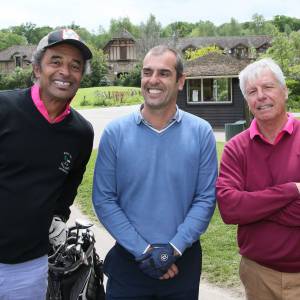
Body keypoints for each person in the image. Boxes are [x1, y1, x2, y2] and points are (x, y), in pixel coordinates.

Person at [92, 45, 217, 300]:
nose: (153, 80)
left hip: (182, 264)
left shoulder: (201, 133)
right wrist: (144, 251)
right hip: (129, 264)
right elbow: (104, 198)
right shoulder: (115, 133)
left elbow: (205, 198)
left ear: (180, 81)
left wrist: (172, 250)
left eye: (164, 73)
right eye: (147, 72)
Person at [0, 28, 94, 299]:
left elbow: (66, 192)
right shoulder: (4, 109)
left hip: (28, 268)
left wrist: (57, 218)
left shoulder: (81, 133)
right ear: (37, 69)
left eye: (75, 66)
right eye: (56, 61)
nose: (65, 71)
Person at [217, 58, 300, 300]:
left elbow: (241, 206)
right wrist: (291, 192)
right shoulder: (235, 148)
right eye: (252, 91)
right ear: (248, 101)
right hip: (259, 275)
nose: (261, 96)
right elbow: (230, 209)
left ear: (284, 91)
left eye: (268, 87)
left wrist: (253, 205)